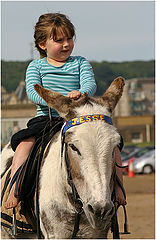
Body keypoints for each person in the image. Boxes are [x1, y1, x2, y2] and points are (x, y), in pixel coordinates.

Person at [4, 13, 126, 209]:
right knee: (24, 144)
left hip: (78, 120)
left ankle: (118, 188)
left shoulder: (80, 63)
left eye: (69, 38)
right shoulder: (36, 66)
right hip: (47, 118)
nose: (66, 44)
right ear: (42, 44)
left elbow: (89, 83)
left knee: (113, 144)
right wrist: (60, 99)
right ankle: (16, 188)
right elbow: (33, 93)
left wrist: (82, 92)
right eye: (59, 40)